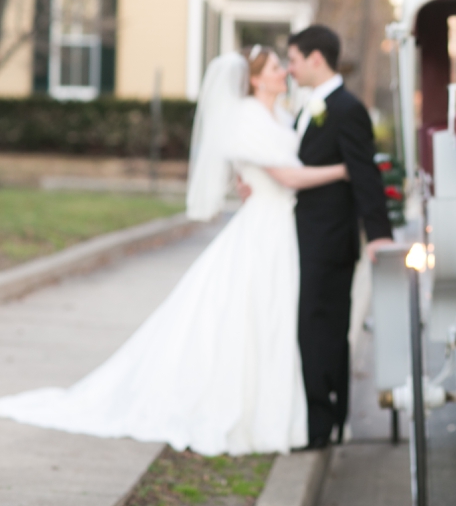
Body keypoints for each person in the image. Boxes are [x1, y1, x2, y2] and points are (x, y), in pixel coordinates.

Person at [0, 48, 346, 456]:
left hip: (283, 228)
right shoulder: (246, 117)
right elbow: (284, 174)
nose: (283, 73)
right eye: (275, 68)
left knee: (274, 320)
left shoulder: (284, 115)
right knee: (250, 317)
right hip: (262, 229)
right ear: (254, 79)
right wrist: (346, 170)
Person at [286, 25, 393, 447]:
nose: (290, 68)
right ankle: (324, 418)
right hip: (308, 237)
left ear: (316, 59)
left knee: (322, 329)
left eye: (293, 59)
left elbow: (365, 173)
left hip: (330, 241)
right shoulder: (308, 106)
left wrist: (378, 234)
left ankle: (323, 424)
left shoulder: (347, 108)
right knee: (315, 327)